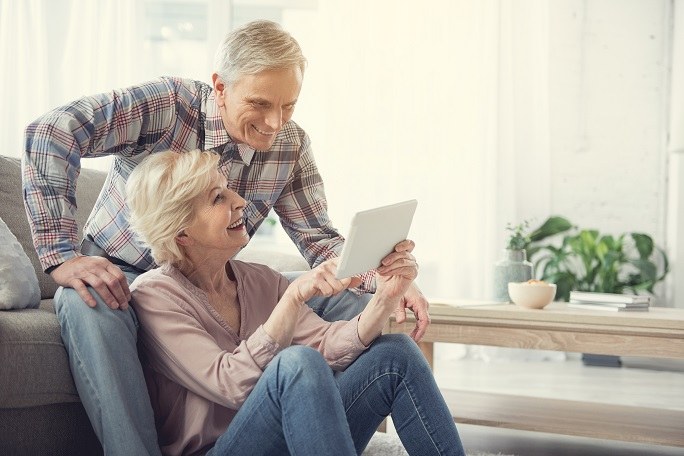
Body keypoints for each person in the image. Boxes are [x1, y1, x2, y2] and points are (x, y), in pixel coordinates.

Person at [22, 19, 430, 455]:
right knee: (91, 303)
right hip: (120, 270)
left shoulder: (290, 145)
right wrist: (62, 255)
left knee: (348, 297)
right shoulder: (169, 105)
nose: (275, 123)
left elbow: (318, 241)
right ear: (220, 87)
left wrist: (386, 278)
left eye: (288, 105)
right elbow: (53, 130)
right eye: (260, 103)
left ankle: (307, 431)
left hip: (213, 273)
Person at [125, 149, 464, 456]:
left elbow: (330, 347)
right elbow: (229, 383)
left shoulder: (258, 279)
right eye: (218, 198)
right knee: (296, 363)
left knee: (395, 353)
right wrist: (292, 296)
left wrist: (385, 298)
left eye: (229, 189)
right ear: (181, 233)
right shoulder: (155, 294)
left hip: (293, 437)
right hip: (221, 449)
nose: (240, 201)